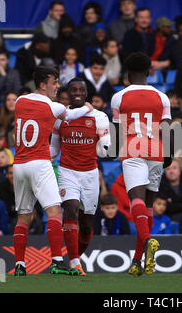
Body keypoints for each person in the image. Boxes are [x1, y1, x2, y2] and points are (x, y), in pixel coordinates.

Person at [12, 66, 93, 276]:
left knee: (24, 216)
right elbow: (72, 114)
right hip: (39, 162)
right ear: (42, 84)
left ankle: (20, 264)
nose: (58, 87)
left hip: (19, 164)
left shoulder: (20, 101)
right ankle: (57, 261)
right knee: (55, 211)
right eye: (54, 83)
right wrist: (87, 107)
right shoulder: (53, 107)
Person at [110, 52, 172, 276]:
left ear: (127, 74)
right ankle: (137, 261)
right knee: (147, 207)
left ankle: (146, 241)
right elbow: (166, 128)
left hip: (132, 149)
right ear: (148, 72)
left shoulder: (119, 97)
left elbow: (117, 131)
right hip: (156, 151)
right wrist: (169, 153)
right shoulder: (162, 97)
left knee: (135, 200)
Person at [49, 77, 110, 275]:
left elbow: (106, 146)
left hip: (90, 174)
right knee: (71, 209)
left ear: (86, 93)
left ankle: (73, 258)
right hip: (67, 172)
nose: (77, 93)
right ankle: (75, 262)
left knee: (86, 225)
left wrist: (108, 146)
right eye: (73, 90)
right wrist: (43, 160)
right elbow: (54, 148)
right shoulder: (61, 118)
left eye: (80, 90)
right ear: (67, 93)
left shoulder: (99, 117)